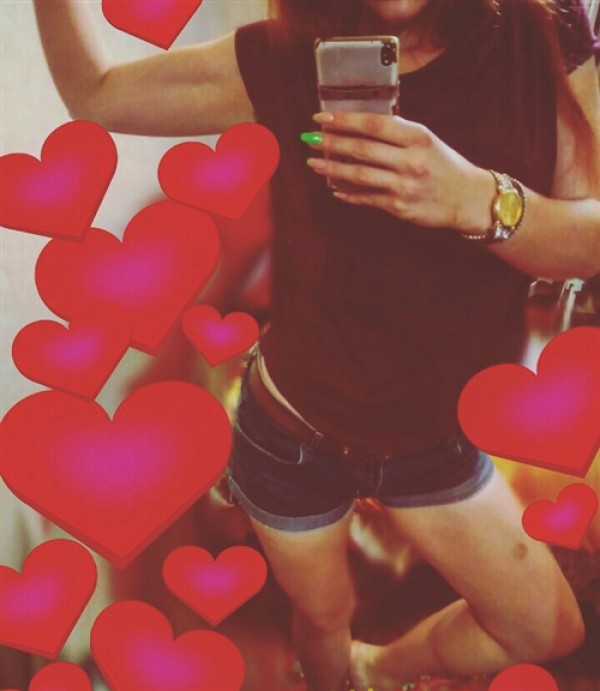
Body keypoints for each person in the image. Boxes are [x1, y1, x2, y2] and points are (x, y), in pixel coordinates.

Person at [33, 1, 600, 689]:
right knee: (324, 618)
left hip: (435, 445)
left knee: (544, 626)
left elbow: (590, 234)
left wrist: (473, 198)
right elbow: (97, 95)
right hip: (292, 437)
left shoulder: (544, 32)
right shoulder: (286, 54)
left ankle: (377, 670)